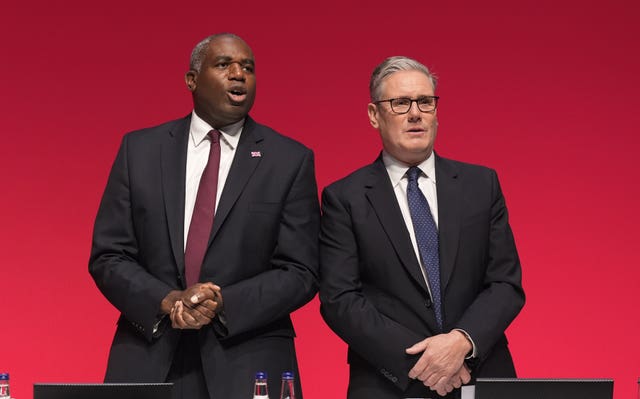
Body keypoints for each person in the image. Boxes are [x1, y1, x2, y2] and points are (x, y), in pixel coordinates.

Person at [89, 33, 319, 399]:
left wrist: (222, 303)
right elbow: (109, 255)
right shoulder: (140, 151)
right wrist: (167, 300)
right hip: (150, 354)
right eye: (224, 64)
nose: (239, 74)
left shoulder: (289, 160)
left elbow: (302, 271)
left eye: (248, 67)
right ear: (192, 80)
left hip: (248, 359)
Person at [319, 56, 525, 399]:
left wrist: (461, 343)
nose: (415, 113)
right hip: (390, 382)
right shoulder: (345, 198)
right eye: (400, 103)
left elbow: (506, 283)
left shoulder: (481, 184)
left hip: (480, 372)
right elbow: (340, 300)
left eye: (425, 102)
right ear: (374, 115)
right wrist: (428, 361)